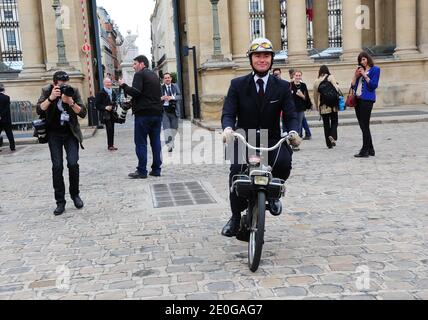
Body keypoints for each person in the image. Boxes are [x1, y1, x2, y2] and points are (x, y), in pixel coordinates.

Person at [221, 37, 301, 237]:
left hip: (271, 138)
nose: (262, 60)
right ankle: (235, 217)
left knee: (284, 162)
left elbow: (291, 114)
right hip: (242, 137)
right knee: (236, 173)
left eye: (266, 56)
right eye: (258, 56)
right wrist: (228, 128)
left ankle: (273, 195)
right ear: (251, 59)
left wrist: (293, 132)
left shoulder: (282, 87)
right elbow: (228, 112)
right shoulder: (237, 84)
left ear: (272, 59)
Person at [36, 71, 87, 216]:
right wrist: (52, 98)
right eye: (61, 85)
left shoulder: (73, 91)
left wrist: (70, 102)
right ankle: (60, 201)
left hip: (70, 133)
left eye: (66, 83)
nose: (64, 86)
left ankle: (75, 195)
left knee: (73, 164)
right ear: (54, 83)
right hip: (54, 134)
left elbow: (83, 112)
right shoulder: (47, 91)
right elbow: (39, 109)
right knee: (57, 167)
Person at [119, 55, 163, 178]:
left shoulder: (139, 74)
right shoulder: (154, 75)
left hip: (144, 115)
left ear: (142, 64)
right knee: (155, 142)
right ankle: (156, 169)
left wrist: (123, 86)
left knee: (141, 142)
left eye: (135, 64)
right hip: (157, 113)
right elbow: (147, 94)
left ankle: (142, 170)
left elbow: (136, 92)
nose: (133, 66)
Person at [351, 52, 381, 158]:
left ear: (368, 59)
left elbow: (373, 85)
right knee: (363, 125)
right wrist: (356, 75)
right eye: (360, 60)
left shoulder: (375, 69)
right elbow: (353, 85)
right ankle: (371, 149)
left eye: (364, 59)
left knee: (364, 125)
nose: (362, 62)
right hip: (358, 100)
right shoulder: (359, 71)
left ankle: (364, 150)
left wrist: (364, 74)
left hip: (367, 100)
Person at [313, 65, 340, 149]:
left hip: (324, 106)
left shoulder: (316, 81)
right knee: (334, 121)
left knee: (326, 124)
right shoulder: (331, 77)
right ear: (327, 71)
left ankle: (329, 144)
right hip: (333, 105)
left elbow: (315, 96)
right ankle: (332, 135)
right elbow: (336, 89)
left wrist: (317, 106)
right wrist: (338, 87)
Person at [290, 70, 312, 151]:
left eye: (299, 75)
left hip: (300, 108)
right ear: (293, 76)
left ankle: (296, 144)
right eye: (296, 75)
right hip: (292, 109)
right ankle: (292, 142)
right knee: (293, 125)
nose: (298, 77)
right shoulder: (289, 85)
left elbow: (306, 98)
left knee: (299, 125)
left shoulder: (303, 85)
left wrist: (302, 95)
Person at [96, 78, 119, 151]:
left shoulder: (113, 92)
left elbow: (115, 101)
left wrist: (113, 105)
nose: (109, 84)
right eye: (107, 83)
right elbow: (97, 105)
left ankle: (111, 144)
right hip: (105, 114)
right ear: (104, 84)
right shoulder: (100, 93)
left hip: (112, 113)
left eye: (109, 82)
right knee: (109, 129)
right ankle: (110, 145)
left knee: (112, 129)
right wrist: (105, 107)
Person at [161, 73, 182, 153]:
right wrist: (162, 98)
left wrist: (172, 97)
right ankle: (169, 144)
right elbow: (156, 98)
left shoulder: (175, 86)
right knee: (167, 129)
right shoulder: (161, 88)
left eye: (168, 78)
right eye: (165, 78)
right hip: (164, 111)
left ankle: (171, 140)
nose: (167, 79)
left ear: (171, 78)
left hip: (174, 111)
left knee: (174, 128)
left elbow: (180, 97)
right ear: (163, 80)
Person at [0, 84, 15, 152]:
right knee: (9, 133)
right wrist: (1, 115)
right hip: (6, 119)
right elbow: (6, 109)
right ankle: (12, 147)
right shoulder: (7, 97)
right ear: (3, 90)